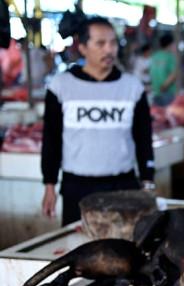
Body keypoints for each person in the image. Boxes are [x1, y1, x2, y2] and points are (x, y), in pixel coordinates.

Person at [41, 16, 155, 226]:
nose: (109, 50)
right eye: (100, 43)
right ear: (83, 47)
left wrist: (148, 181)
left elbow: (143, 137)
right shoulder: (61, 86)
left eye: (113, 43)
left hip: (123, 185)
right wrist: (49, 184)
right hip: (77, 187)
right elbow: (51, 138)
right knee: (78, 247)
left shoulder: (132, 87)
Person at [150, 33, 176, 106]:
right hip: (167, 92)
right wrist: (164, 86)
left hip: (155, 92)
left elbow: (151, 72)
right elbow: (173, 74)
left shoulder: (154, 56)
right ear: (170, 44)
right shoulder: (170, 56)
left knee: (157, 115)